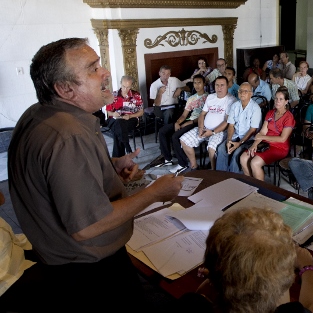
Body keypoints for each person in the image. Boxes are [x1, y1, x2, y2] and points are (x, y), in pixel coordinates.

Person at [8, 37, 183, 311]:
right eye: (93, 69)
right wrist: (154, 193)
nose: (106, 73)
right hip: (88, 271)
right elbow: (87, 226)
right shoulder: (70, 136)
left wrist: (108, 167)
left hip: (62, 263)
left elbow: (53, 174)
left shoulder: (38, 114)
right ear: (65, 88)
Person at [179, 208, 313, 313]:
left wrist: (219, 278)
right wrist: (308, 267)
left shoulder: (191, 304)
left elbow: (201, 295)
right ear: (286, 279)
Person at [176, 76, 235, 172]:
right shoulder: (211, 97)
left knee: (211, 148)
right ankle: (194, 166)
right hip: (204, 128)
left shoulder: (231, 100)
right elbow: (202, 114)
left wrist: (212, 132)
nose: (219, 88)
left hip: (219, 131)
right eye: (217, 85)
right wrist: (200, 128)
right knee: (183, 140)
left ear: (227, 86)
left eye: (222, 85)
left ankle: (213, 171)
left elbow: (227, 122)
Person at [240, 87, 295, 181]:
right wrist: (254, 145)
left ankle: (261, 189)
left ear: (286, 101)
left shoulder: (288, 117)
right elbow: (262, 131)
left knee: (255, 163)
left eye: (281, 99)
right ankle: (251, 184)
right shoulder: (270, 113)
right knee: (243, 158)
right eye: (276, 98)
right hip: (265, 144)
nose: (277, 101)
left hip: (279, 147)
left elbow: (282, 138)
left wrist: (262, 136)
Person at [154, 75, 208, 168]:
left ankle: (182, 163)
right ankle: (167, 159)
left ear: (204, 84)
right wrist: (178, 122)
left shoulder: (209, 97)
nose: (197, 85)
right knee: (163, 131)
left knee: (175, 136)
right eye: (195, 83)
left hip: (198, 123)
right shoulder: (192, 98)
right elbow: (184, 115)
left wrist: (190, 123)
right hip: (189, 119)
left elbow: (206, 116)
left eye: (199, 82)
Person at [215, 82, 262, 173]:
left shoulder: (255, 108)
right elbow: (231, 125)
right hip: (236, 135)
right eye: (240, 91)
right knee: (222, 148)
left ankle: (234, 179)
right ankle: (220, 176)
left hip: (249, 139)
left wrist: (239, 143)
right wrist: (229, 140)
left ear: (251, 94)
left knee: (236, 153)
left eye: (245, 91)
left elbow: (253, 130)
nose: (242, 93)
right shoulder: (235, 106)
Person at [104, 75, 144, 157]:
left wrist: (130, 116)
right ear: (120, 84)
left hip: (131, 119)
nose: (125, 89)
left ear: (131, 85)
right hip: (115, 119)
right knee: (119, 123)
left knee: (118, 130)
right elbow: (108, 113)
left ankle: (117, 159)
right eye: (123, 86)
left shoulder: (136, 95)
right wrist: (113, 114)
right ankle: (126, 145)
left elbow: (141, 112)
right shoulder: (113, 95)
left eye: (128, 87)